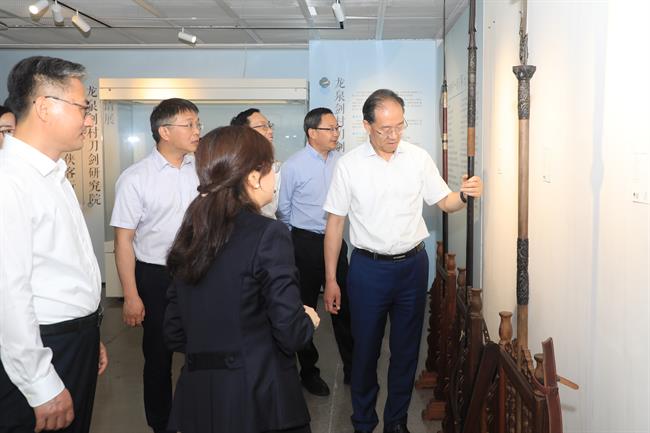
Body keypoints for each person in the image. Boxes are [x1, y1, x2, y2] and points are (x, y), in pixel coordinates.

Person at [323, 89, 483, 433]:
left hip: (412, 267)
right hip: (368, 269)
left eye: (399, 126)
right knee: (365, 352)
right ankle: (363, 422)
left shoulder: (417, 158)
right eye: (385, 129)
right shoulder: (349, 165)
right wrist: (332, 279)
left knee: (407, 351)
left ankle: (396, 422)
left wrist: (464, 195)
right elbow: (334, 225)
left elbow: (445, 201)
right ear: (367, 126)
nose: (393, 135)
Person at [164, 125, 319, 433]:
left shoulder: (192, 231)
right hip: (258, 400)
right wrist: (307, 321)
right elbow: (291, 333)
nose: (275, 176)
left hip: (198, 400)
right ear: (253, 177)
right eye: (272, 167)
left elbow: (174, 332)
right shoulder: (268, 234)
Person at [0, 56, 108, 433]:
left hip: (71, 338)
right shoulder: (10, 182)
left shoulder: (51, 174)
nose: (89, 120)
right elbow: (7, 296)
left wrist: (89, 331)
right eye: (82, 108)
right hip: (42, 349)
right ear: (45, 107)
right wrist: (39, 383)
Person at [110, 98, 201, 433]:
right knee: (159, 357)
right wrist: (131, 295)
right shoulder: (135, 178)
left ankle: (198, 417)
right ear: (164, 131)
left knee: (202, 351)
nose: (197, 131)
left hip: (200, 273)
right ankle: (161, 424)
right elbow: (123, 241)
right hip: (156, 277)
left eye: (197, 124)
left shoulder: (202, 170)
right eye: (189, 124)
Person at [277, 107, 353, 396]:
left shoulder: (342, 162)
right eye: (329, 128)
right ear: (312, 132)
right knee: (305, 308)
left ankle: (353, 367)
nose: (335, 133)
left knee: (344, 307)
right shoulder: (293, 166)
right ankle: (309, 372)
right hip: (304, 243)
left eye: (337, 128)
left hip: (336, 241)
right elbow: (283, 209)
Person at [231, 108, 279, 218]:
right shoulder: (237, 166)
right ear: (245, 132)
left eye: (269, 125)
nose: (270, 131)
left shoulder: (269, 161)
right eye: (263, 126)